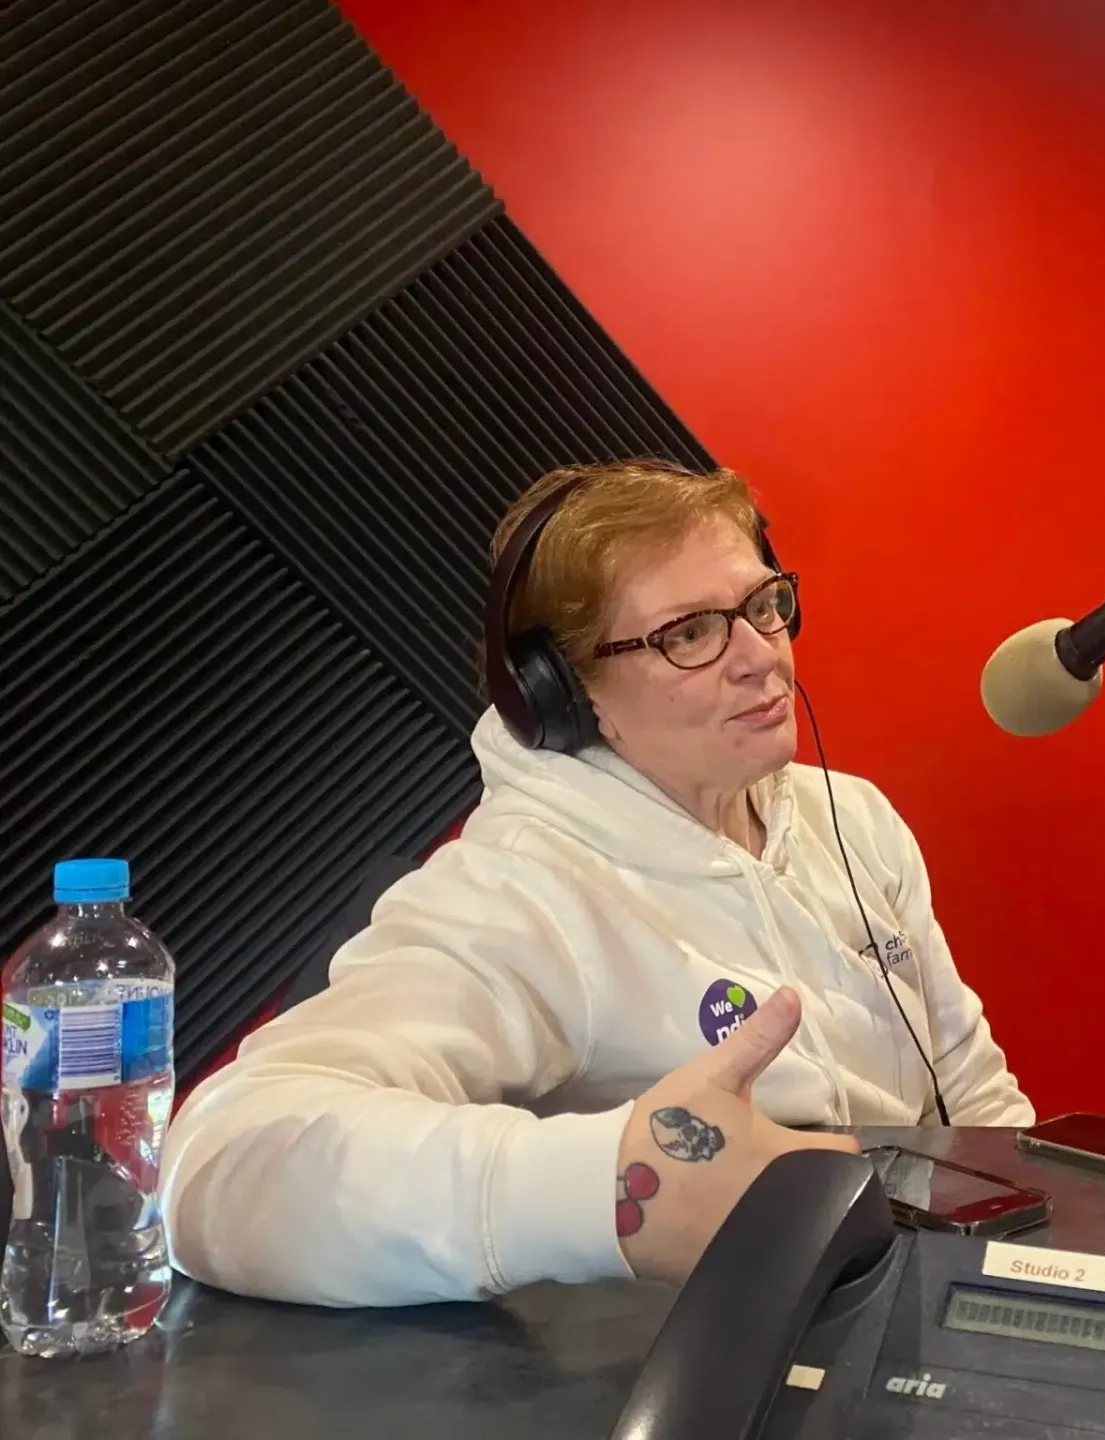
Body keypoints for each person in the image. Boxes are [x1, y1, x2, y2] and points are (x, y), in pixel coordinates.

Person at [159, 460, 1033, 1308]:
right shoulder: (519, 896)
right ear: (568, 694)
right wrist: (610, 1185)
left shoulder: (855, 819)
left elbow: (971, 1089)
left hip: (910, 1302)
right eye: (689, 634)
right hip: (707, 1352)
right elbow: (225, 1160)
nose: (760, 657)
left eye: (762, 605)